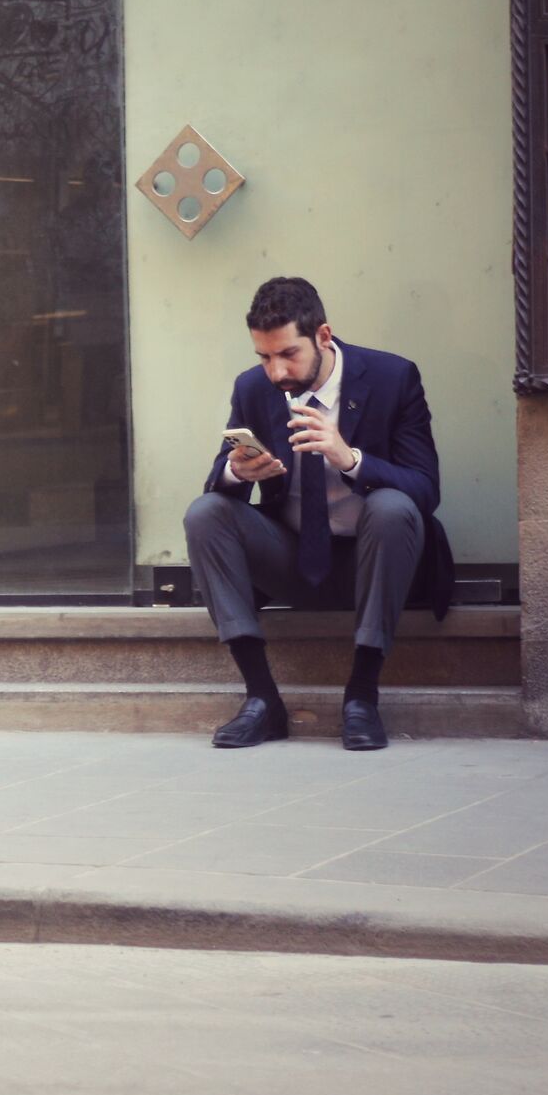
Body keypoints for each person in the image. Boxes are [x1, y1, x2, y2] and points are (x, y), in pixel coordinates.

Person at [183, 276, 454, 751]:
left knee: (392, 506)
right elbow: (218, 482)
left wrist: (351, 460)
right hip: (291, 560)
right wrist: (236, 471)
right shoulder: (253, 389)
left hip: (377, 563)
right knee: (205, 513)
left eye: (288, 354)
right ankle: (262, 699)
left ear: (323, 336)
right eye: (264, 357)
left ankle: (362, 697)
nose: (276, 371)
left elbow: (426, 490)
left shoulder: (392, 378)